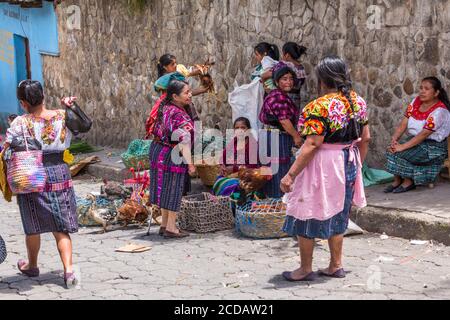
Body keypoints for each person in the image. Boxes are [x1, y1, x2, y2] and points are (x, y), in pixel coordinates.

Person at [280, 56, 371, 282]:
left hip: (323, 165)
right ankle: (335, 265)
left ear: (322, 79)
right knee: (340, 212)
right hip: (348, 160)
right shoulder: (358, 102)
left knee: (307, 211)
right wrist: (358, 165)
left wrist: (291, 174)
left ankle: (305, 269)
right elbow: (366, 138)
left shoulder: (318, 106)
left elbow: (312, 144)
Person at [2, 80, 80, 287]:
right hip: (59, 173)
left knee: (32, 225)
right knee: (60, 226)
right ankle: (69, 271)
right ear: (43, 96)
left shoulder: (19, 122)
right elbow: (82, 126)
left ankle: (32, 266)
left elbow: (7, 147)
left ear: (22, 103)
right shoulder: (63, 117)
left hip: (30, 176)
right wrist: (70, 107)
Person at [385, 77, 450, 193]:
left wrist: (402, 147)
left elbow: (423, 134)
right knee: (391, 149)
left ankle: (408, 181)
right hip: (417, 142)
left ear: (436, 93)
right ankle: (397, 180)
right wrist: (394, 140)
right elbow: (403, 124)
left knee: (399, 153)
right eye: (421, 88)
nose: (422, 91)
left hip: (434, 148)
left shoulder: (439, 111)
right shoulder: (415, 102)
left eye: (426, 89)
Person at [148, 80, 196, 239]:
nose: (190, 95)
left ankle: (164, 224)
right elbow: (183, 140)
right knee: (174, 189)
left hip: (157, 150)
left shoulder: (166, 107)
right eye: (186, 93)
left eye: (190, 91)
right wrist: (190, 164)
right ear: (175, 96)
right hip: (171, 154)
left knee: (165, 188)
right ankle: (171, 227)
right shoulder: (178, 113)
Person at [259, 66, 303, 198]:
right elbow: (284, 120)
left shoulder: (279, 95)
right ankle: (277, 202)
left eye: (290, 79)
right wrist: (296, 137)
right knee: (278, 170)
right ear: (277, 82)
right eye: (284, 79)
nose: (288, 82)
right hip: (276, 138)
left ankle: (273, 200)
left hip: (272, 137)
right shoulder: (278, 97)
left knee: (273, 169)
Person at [262, 42, 308, 112]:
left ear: (287, 55)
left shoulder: (283, 66)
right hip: (296, 100)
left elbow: (265, 75)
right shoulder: (301, 68)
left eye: (282, 53)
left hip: (282, 99)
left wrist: (264, 83)